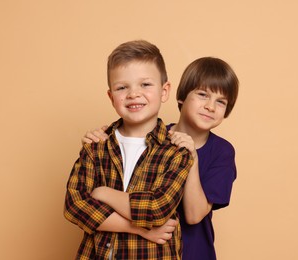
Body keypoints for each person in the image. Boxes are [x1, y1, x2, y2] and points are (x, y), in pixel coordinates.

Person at [82, 57, 239, 259]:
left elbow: (193, 215)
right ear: (181, 97)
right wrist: (98, 140)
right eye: (202, 95)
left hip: (193, 253)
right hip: (145, 249)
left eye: (221, 102)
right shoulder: (152, 137)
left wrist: (191, 156)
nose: (210, 106)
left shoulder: (222, 152)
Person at [64, 40, 193, 260]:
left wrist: (103, 193)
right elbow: (75, 206)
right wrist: (140, 229)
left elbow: (156, 209)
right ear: (111, 96)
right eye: (122, 87)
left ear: (164, 91)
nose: (133, 94)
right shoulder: (96, 147)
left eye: (145, 84)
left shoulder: (176, 151)